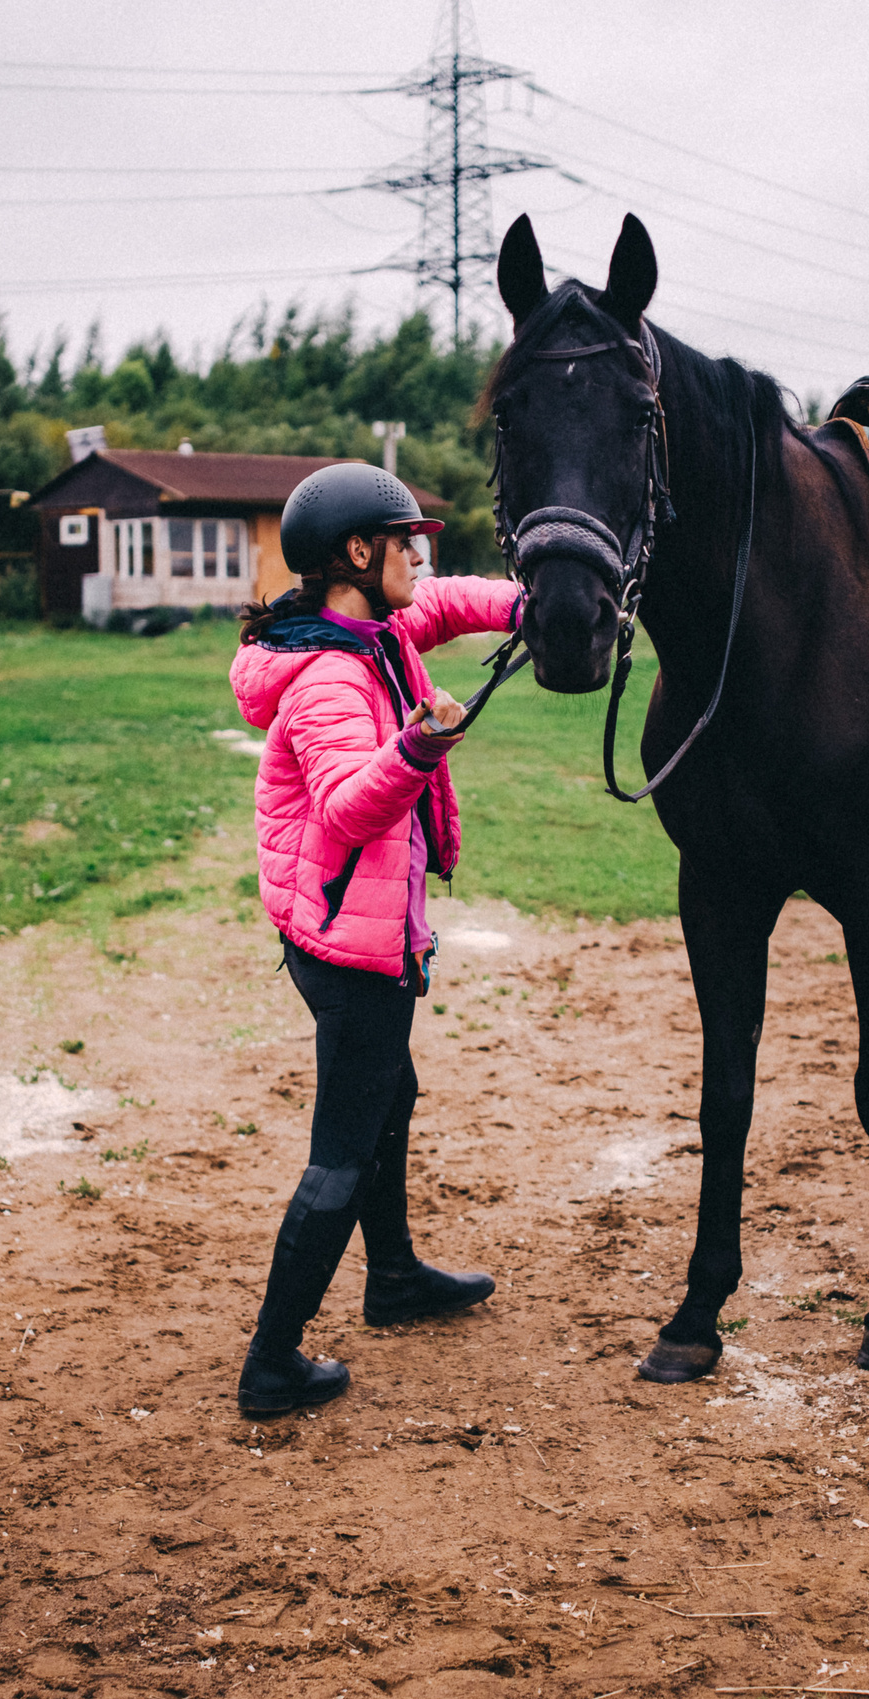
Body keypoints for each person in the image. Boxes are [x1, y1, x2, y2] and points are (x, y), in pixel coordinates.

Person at [227, 462, 524, 1415]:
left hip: (353, 926)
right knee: (342, 1152)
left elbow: (452, 600)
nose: (420, 554)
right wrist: (420, 746)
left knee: (394, 1090)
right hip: (349, 945)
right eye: (406, 540)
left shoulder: (373, 629)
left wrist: (546, 596)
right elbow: (351, 808)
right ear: (359, 553)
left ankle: (392, 1276)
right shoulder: (328, 679)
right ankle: (272, 1363)